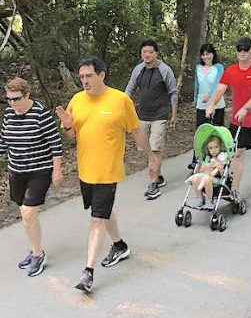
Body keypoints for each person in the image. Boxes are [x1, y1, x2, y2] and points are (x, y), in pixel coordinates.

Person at [56, 57, 157, 295]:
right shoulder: (77, 100)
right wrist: (69, 126)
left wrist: (152, 157)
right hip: (86, 171)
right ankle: (120, 246)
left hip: (108, 171)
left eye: (88, 76)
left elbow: (136, 131)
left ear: (102, 75)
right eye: (81, 77)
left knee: (97, 219)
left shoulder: (120, 100)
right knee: (104, 210)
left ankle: (88, 273)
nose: (84, 81)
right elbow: (71, 137)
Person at [0, 77, 64, 277]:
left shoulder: (41, 114)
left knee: (28, 213)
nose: (13, 103)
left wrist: (57, 170)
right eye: (9, 99)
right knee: (24, 214)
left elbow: (56, 143)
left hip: (40, 169)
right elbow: (4, 138)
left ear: (27, 95)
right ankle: (34, 249)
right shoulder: (8, 114)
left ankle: (38, 255)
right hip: (17, 170)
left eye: (16, 99)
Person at [206, 36, 251, 197]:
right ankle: (234, 189)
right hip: (238, 121)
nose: (242, 52)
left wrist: (246, 108)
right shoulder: (231, 71)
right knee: (237, 153)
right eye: (239, 50)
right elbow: (220, 89)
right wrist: (212, 104)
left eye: (245, 50)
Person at [125, 39, 178, 200]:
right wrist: (121, 106)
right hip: (142, 115)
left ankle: (153, 184)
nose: (147, 55)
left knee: (155, 149)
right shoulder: (138, 70)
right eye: (144, 52)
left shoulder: (164, 70)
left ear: (156, 53)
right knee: (146, 150)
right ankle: (159, 175)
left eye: (150, 52)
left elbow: (173, 92)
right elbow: (129, 89)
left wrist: (173, 114)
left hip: (160, 115)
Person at [189, 43, 225, 169]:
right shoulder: (198, 67)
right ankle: (197, 159)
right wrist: (196, 99)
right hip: (201, 105)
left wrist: (209, 96)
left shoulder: (218, 67)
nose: (206, 57)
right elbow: (197, 85)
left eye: (208, 54)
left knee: (216, 131)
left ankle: (220, 159)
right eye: (203, 54)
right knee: (201, 131)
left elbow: (218, 83)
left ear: (213, 54)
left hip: (217, 104)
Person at [185, 135, 228, 210]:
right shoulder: (207, 158)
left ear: (220, 147)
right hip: (205, 176)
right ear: (208, 149)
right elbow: (201, 171)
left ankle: (209, 201)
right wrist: (204, 167)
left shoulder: (222, 156)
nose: (214, 150)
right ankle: (200, 199)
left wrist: (217, 166)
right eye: (211, 148)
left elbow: (222, 173)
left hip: (217, 179)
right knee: (195, 179)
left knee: (207, 179)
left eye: (216, 147)